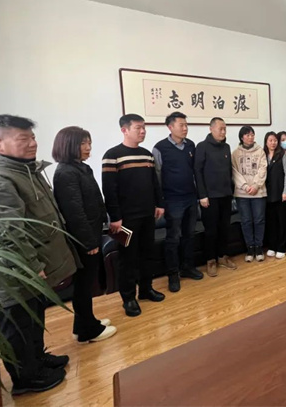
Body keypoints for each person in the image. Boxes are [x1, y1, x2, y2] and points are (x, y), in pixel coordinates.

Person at [0, 114, 79, 394]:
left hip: (33, 266)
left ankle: (37, 361)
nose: (33, 143)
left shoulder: (23, 169)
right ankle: (25, 379)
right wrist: (32, 266)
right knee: (18, 326)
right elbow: (5, 235)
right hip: (14, 272)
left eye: (32, 137)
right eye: (23, 138)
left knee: (33, 319)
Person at [52, 126, 117, 343]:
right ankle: (87, 330)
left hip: (92, 232)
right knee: (84, 284)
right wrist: (89, 243)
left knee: (87, 283)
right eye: (83, 143)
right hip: (83, 238)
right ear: (69, 145)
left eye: (89, 142)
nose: (88, 147)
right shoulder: (66, 173)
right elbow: (74, 213)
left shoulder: (80, 168)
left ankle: (84, 324)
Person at [102, 114, 165, 318]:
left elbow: (155, 183)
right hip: (125, 219)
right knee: (127, 259)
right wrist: (115, 217)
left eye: (144, 127)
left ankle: (146, 289)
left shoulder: (147, 155)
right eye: (138, 128)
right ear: (124, 130)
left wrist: (159, 204)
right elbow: (109, 190)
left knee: (148, 254)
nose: (143, 131)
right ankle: (128, 298)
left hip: (148, 215)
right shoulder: (113, 155)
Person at [153, 112, 204, 293]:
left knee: (189, 235)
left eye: (186, 125)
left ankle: (187, 267)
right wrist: (160, 201)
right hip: (172, 200)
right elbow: (157, 176)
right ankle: (173, 274)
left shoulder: (190, 145)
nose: (185, 128)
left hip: (190, 197)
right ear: (170, 127)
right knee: (173, 238)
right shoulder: (160, 148)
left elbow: (194, 171)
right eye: (181, 125)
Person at [194, 117, 238, 277]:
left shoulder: (226, 147)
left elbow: (229, 171)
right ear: (211, 129)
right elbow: (197, 172)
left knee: (224, 228)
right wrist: (202, 195)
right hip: (209, 197)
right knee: (211, 230)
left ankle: (222, 256)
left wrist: (231, 191)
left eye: (225, 129)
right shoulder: (202, 147)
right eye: (220, 128)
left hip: (225, 195)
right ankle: (210, 260)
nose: (223, 132)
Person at [232, 126, 268, 262]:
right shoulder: (235, 153)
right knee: (246, 221)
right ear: (242, 137)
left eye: (252, 134)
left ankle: (258, 247)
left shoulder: (260, 151)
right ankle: (250, 248)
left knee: (259, 220)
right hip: (242, 193)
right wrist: (246, 186)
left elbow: (263, 169)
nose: (250, 137)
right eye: (247, 135)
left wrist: (256, 185)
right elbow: (234, 172)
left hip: (258, 192)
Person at [263, 131, 286, 259]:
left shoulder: (283, 155)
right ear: (266, 142)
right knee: (271, 221)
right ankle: (272, 246)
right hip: (267, 194)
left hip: (281, 193)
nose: (273, 143)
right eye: (270, 140)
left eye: (275, 140)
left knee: (282, 221)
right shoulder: (263, 155)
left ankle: (282, 247)